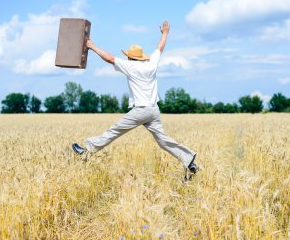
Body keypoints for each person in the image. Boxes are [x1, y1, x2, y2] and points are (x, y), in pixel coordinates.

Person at [72, 21, 198, 180]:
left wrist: (92, 46)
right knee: (163, 141)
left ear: (131, 58)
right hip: (153, 110)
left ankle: (87, 151)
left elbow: (110, 58)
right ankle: (189, 161)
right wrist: (165, 33)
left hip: (141, 110)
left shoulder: (131, 67)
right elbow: (160, 48)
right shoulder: (151, 64)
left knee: (114, 130)